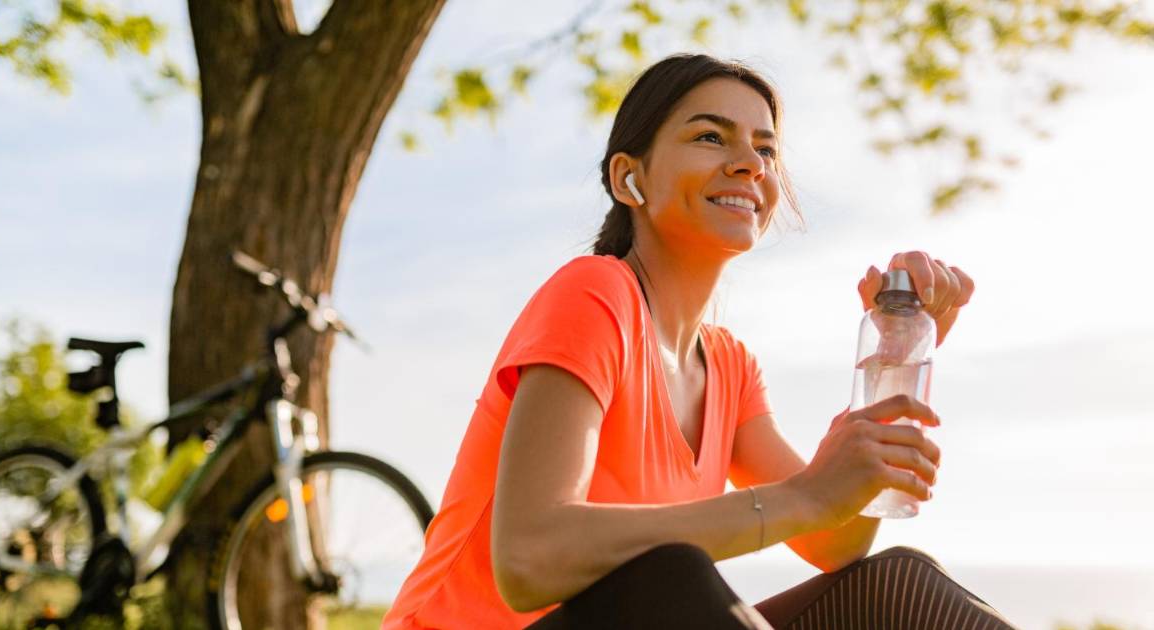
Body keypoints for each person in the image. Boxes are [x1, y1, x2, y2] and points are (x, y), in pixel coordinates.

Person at [382, 53, 1015, 630]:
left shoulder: (730, 366)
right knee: (671, 578)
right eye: (710, 137)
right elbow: (530, 558)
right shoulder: (594, 294)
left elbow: (834, 540)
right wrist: (801, 496)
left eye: (765, 148)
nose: (749, 163)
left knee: (897, 584)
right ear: (631, 178)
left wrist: (896, 358)